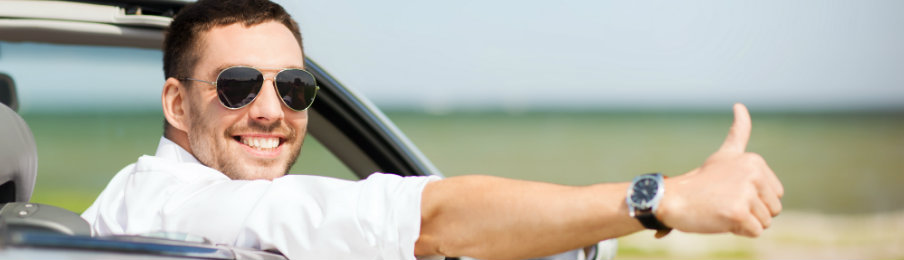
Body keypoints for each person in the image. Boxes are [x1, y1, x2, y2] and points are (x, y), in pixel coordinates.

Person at [81, 0, 784, 259]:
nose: (271, 110)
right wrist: (659, 198)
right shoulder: (183, 210)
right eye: (238, 86)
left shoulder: (127, 201)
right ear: (177, 104)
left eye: (293, 88)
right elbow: (429, 219)